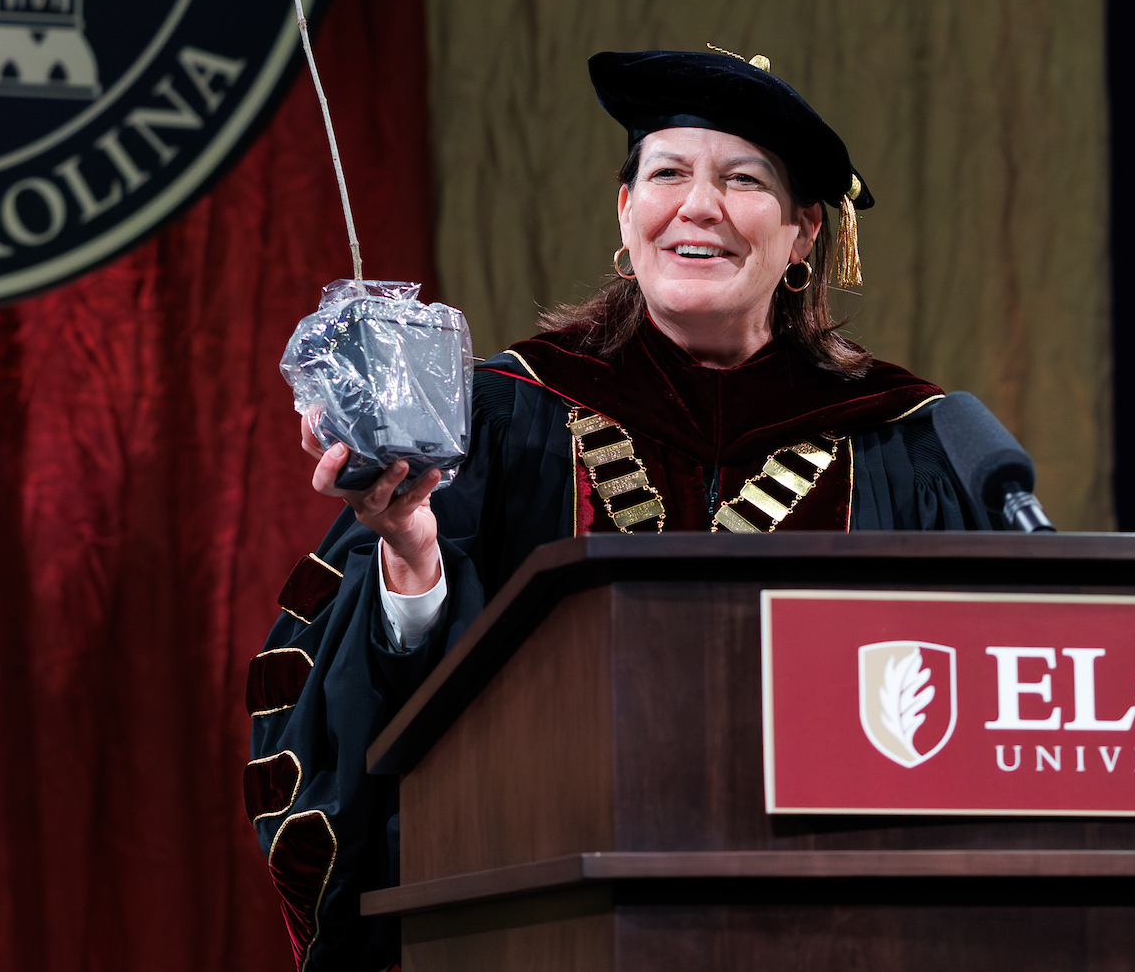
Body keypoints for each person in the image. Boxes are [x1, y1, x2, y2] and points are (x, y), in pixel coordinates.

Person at [243, 49, 1022, 970]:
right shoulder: (497, 417)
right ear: (626, 209)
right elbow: (386, 739)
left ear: (805, 231)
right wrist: (412, 555)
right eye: (667, 173)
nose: (699, 206)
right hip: (557, 926)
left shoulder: (906, 444)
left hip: (830, 931)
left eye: (743, 179)